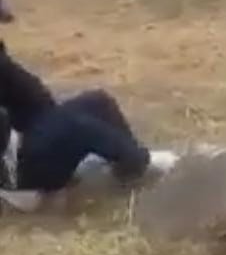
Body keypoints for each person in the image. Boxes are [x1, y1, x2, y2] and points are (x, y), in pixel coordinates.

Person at [0, 38, 165, 194]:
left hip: (34, 128)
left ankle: (129, 167)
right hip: (21, 167)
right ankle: (142, 163)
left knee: (99, 101)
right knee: (77, 127)